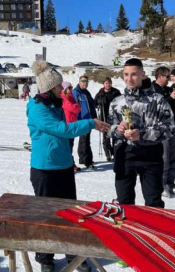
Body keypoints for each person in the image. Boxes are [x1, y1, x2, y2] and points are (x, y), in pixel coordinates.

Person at [27, 60, 110, 272]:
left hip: (64, 167)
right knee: (47, 216)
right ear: (47, 89)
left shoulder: (55, 104)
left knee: (70, 214)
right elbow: (62, 129)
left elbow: (71, 114)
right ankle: (45, 258)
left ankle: (74, 254)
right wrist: (91, 123)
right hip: (44, 170)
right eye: (58, 86)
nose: (61, 89)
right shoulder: (37, 108)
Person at [108, 58, 175, 207]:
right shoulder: (116, 102)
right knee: (124, 201)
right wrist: (117, 130)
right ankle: (126, 229)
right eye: (126, 74)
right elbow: (109, 129)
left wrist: (142, 134)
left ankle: (151, 230)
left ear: (142, 74)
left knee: (153, 202)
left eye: (134, 74)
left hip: (150, 155)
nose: (129, 79)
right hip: (124, 155)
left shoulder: (157, 100)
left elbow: (169, 128)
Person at [152, 66, 175, 197]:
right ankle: (161, 184)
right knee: (164, 157)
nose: (170, 79)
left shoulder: (169, 89)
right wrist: (170, 98)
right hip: (160, 127)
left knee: (174, 156)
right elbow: (157, 107)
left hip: (173, 125)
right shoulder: (151, 90)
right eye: (167, 77)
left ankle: (170, 182)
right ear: (160, 76)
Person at [72, 75, 98, 170]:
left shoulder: (86, 92)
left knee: (84, 140)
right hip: (81, 121)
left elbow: (91, 106)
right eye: (83, 81)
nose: (85, 83)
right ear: (79, 82)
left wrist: (95, 117)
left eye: (87, 81)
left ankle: (83, 158)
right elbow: (74, 107)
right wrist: (77, 119)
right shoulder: (76, 92)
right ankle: (88, 161)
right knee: (85, 141)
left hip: (88, 120)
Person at [94, 77, 121, 161]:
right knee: (106, 136)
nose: (108, 85)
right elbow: (94, 104)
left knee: (115, 135)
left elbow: (122, 101)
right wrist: (98, 102)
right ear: (103, 84)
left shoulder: (116, 92)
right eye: (106, 83)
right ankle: (108, 154)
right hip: (104, 117)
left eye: (109, 83)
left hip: (114, 117)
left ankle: (115, 153)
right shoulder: (100, 93)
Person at [61, 81, 82, 172]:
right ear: (64, 89)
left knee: (70, 145)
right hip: (66, 125)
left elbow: (78, 108)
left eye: (71, 88)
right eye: (68, 88)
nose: (70, 90)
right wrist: (75, 106)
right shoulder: (62, 98)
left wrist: (75, 106)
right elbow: (73, 108)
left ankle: (69, 163)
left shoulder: (71, 97)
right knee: (67, 146)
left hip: (72, 125)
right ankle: (69, 164)